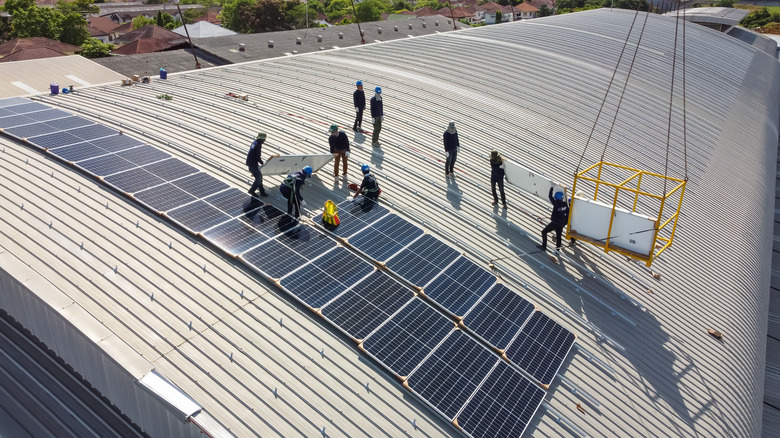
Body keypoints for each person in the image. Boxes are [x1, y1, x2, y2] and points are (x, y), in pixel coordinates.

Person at [538, 187, 570, 251]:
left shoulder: (556, 204)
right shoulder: (566, 204)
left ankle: (544, 246)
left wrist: (552, 187)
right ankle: (557, 250)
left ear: (556, 198)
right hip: (561, 223)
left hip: (555, 222)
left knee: (544, 232)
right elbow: (567, 213)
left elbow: (550, 196)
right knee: (559, 236)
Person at [246, 132, 268, 197]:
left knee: (259, 177)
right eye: (264, 139)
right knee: (258, 179)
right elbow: (257, 156)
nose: (264, 141)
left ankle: (262, 192)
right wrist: (262, 163)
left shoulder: (255, 142)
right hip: (253, 164)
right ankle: (251, 191)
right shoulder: (258, 145)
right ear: (261, 139)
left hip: (251, 163)